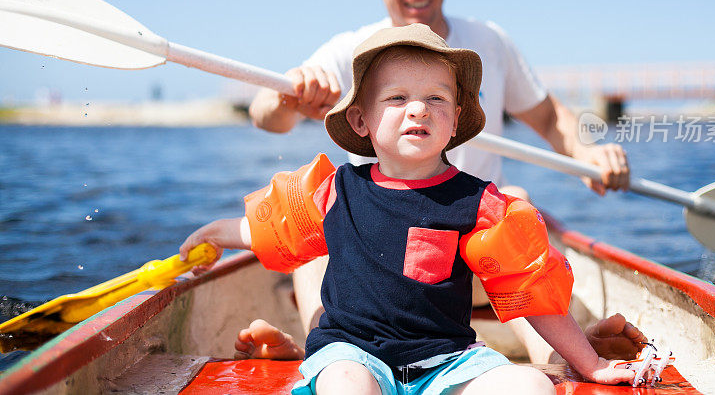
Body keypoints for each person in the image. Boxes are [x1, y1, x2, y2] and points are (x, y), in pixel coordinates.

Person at [246, 0, 643, 363]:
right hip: (370, 263)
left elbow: (551, 118)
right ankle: (319, 351)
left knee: (515, 200)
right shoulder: (351, 52)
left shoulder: (487, 42)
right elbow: (265, 117)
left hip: (467, 259)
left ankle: (553, 358)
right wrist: (292, 96)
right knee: (318, 222)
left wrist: (587, 150)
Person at [182, 25, 637, 394]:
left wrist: (592, 365)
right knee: (344, 384)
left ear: (456, 119)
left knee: (531, 386)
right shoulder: (337, 189)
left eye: (436, 98)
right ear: (361, 120)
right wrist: (217, 232)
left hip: (448, 361)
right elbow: (271, 229)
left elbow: (532, 294)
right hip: (353, 353)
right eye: (397, 98)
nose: (418, 108)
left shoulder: (481, 203)